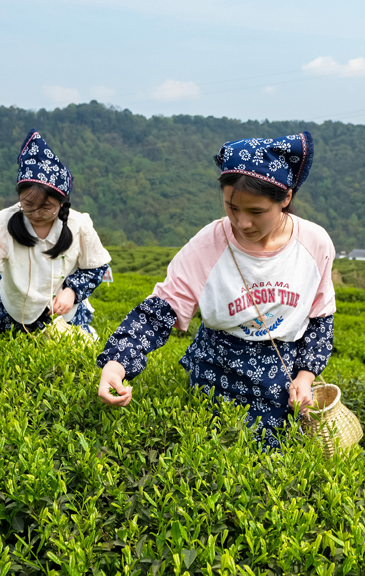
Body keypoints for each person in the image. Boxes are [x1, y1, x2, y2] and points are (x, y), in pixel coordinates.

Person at [96, 132, 335, 450]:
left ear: (286, 198)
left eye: (256, 212)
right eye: (232, 207)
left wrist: (305, 377)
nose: (242, 222)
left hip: (280, 378)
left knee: (267, 472)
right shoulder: (209, 243)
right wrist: (117, 363)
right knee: (207, 462)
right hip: (215, 370)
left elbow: (320, 319)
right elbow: (163, 307)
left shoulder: (314, 244)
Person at [0, 129, 111, 337]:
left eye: (47, 207)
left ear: (62, 202)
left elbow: (96, 267)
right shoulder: (1, 224)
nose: (36, 214)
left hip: (62, 312)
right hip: (15, 312)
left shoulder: (79, 225)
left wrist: (72, 291)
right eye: (28, 205)